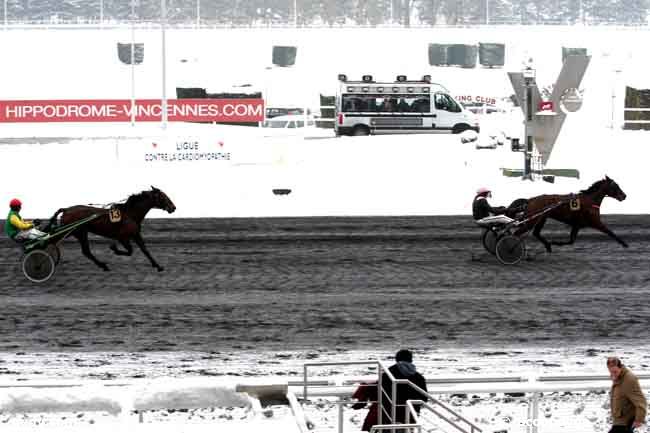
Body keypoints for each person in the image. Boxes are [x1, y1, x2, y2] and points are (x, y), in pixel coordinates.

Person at [380, 349, 428, 428]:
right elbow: (424, 397)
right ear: (411, 359)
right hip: (412, 412)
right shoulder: (419, 376)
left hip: (390, 412)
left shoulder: (387, 374)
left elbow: (381, 394)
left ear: (396, 359)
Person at [608, 356, 646, 433]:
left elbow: (641, 401)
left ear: (620, 367)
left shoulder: (629, 379)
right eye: (610, 372)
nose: (613, 374)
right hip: (619, 420)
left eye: (615, 372)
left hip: (625, 421)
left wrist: (639, 419)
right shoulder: (618, 377)